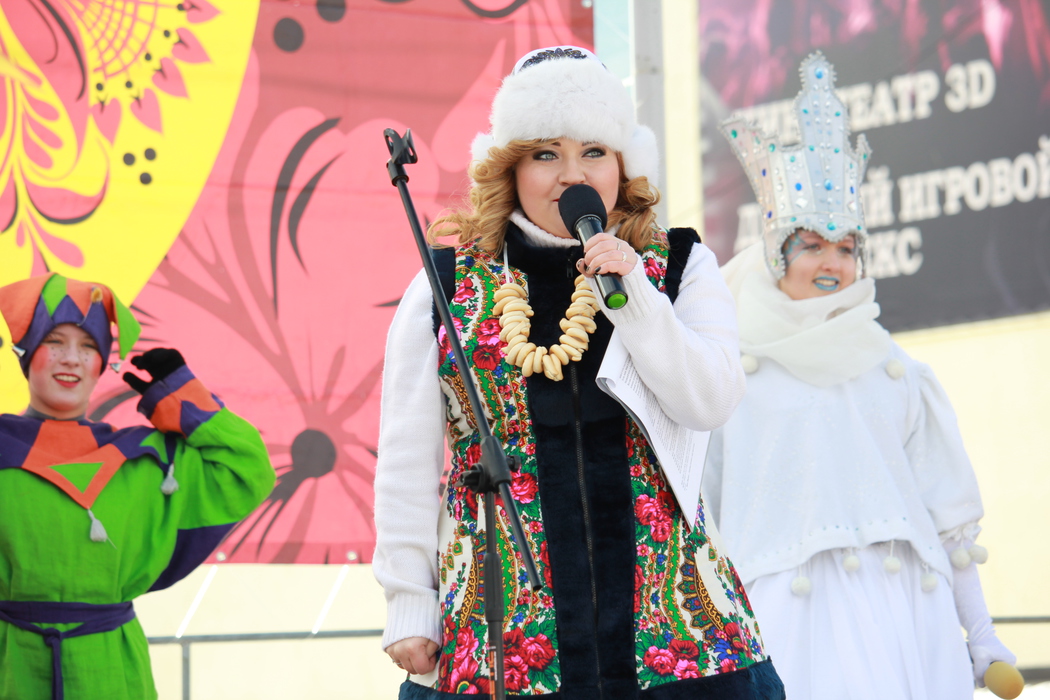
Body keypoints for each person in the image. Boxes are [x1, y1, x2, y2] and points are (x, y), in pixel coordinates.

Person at [373, 46, 784, 699]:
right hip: (506, 633)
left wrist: (636, 297)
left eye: (594, 151)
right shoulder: (444, 285)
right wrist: (408, 600)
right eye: (545, 154)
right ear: (511, 168)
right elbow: (405, 460)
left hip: (674, 636)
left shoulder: (678, 265)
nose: (572, 174)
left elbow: (709, 401)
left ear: (623, 164)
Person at [704, 52, 1017, 699]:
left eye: (847, 248)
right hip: (784, 620)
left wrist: (982, 634)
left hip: (907, 611)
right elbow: (700, 515)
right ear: (776, 253)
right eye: (812, 245)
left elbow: (949, 513)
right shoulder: (726, 371)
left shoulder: (895, 371)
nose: (833, 263)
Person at [0, 273, 275, 700]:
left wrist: (182, 398)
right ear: (27, 352)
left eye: (88, 346)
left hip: (113, 674)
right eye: (54, 341)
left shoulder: (147, 458)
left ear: (101, 363)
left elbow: (248, 468)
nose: (71, 358)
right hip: (10, 668)